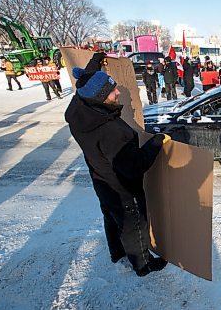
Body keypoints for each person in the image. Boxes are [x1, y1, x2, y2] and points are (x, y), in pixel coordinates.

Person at [64, 52, 170, 277]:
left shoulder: (77, 110)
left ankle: (116, 252)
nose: (119, 91)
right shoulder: (110, 132)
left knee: (111, 217)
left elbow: (85, 81)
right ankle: (142, 265)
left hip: (101, 180)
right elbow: (133, 167)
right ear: (101, 98)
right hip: (122, 188)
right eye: (113, 91)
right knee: (134, 226)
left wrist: (95, 62)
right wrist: (156, 144)